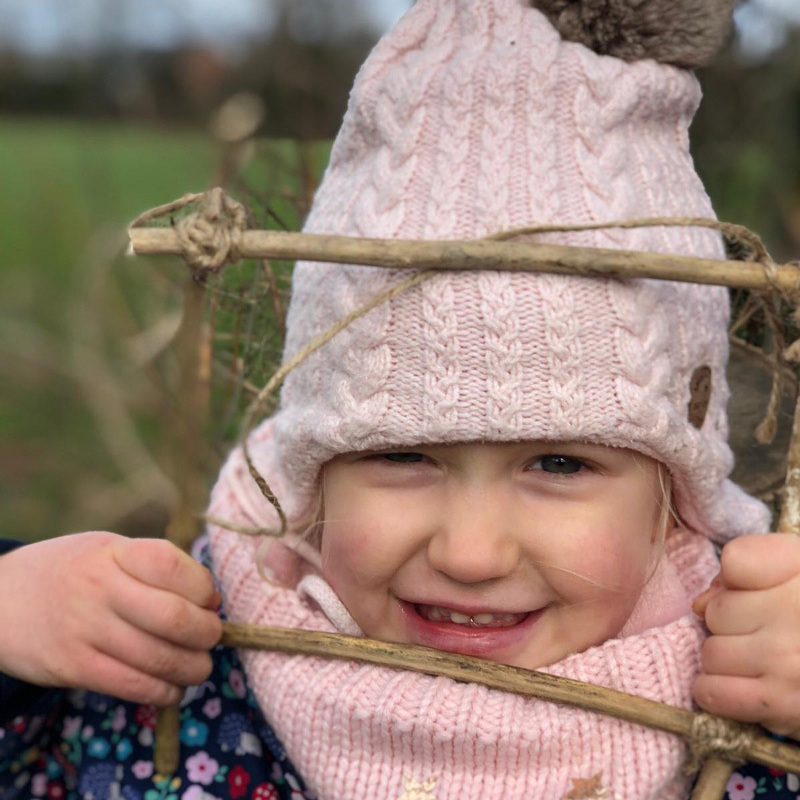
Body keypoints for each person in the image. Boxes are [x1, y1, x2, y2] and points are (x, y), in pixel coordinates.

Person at [2, 0, 800, 797]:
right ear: (307, 482)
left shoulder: (756, 687)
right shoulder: (181, 656)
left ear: (676, 502)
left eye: (559, 463)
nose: (470, 555)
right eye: (402, 453)